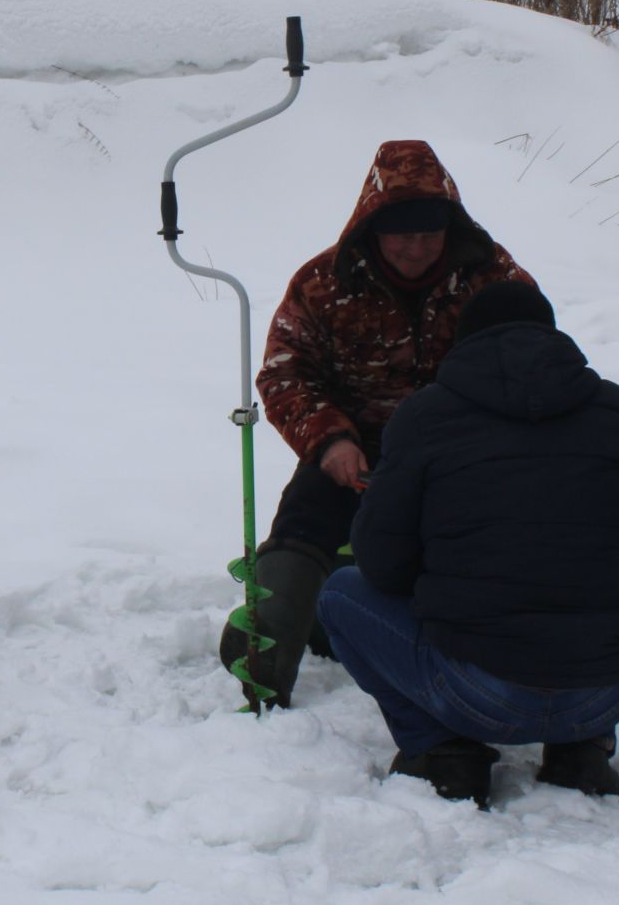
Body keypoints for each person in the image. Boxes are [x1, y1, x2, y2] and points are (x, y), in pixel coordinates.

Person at [318, 283, 619, 809]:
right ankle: (582, 748)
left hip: (478, 693)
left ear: (463, 344)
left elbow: (381, 563)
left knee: (340, 594)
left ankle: (442, 751)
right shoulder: (615, 408)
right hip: (601, 693)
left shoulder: (425, 416)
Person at [219, 140, 534, 707]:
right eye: (400, 234)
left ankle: (479, 667)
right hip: (356, 450)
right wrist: (330, 440)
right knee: (306, 516)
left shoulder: (495, 276)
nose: (415, 249)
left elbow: (535, 359)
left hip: (465, 451)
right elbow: (284, 374)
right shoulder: (322, 281)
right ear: (372, 225)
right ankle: (265, 653)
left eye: (428, 234)